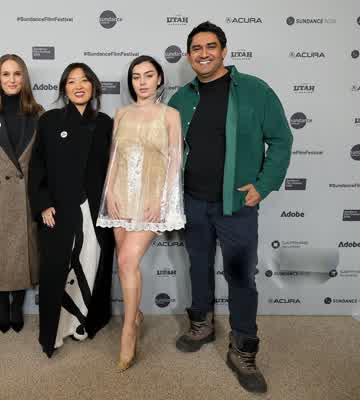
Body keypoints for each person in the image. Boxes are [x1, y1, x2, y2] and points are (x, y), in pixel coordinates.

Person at [168, 21, 292, 393]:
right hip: (192, 201)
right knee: (199, 266)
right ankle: (202, 325)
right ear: (189, 56)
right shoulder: (180, 99)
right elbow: (166, 150)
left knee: (240, 276)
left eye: (211, 46)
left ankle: (243, 348)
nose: (203, 53)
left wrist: (263, 186)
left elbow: (281, 140)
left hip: (236, 204)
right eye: (196, 48)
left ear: (224, 51)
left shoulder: (255, 91)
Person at [97, 55, 185, 371]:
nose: (142, 82)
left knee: (126, 261)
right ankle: (135, 315)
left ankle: (129, 329)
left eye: (148, 75)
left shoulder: (170, 115)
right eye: (136, 76)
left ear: (159, 79)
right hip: (121, 196)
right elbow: (114, 159)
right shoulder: (121, 114)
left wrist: (162, 200)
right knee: (126, 266)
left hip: (151, 199)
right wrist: (110, 194)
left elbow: (175, 161)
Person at [29, 63, 115, 358]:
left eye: (84, 80)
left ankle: (83, 323)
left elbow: (113, 168)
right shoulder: (50, 121)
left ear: (93, 86)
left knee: (91, 263)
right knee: (58, 268)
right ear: (64, 88)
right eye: (71, 81)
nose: (79, 86)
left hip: (95, 210)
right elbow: (37, 166)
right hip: (59, 208)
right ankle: (55, 331)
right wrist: (43, 203)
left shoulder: (104, 123)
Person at [0, 54, 43, 333]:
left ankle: (18, 305)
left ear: (24, 77)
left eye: (17, 74)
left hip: (26, 192)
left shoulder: (38, 112)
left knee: (24, 248)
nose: (12, 79)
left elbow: (41, 157)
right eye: (6, 74)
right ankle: (5, 306)